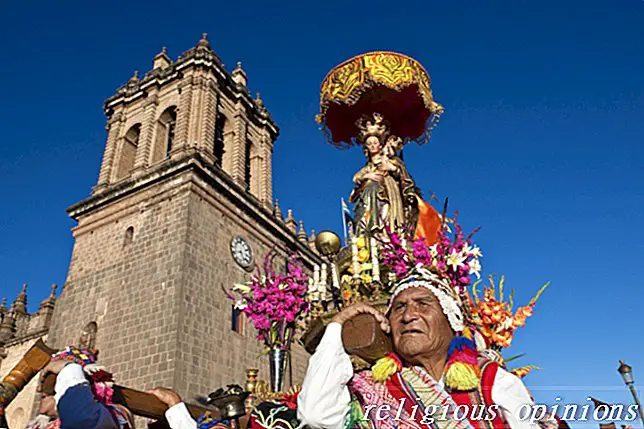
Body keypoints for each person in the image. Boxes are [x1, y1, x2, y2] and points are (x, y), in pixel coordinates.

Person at [297, 267, 541, 429]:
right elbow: (315, 415)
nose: (409, 315)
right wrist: (339, 325)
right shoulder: (373, 387)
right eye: (399, 308)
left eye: (423, 304)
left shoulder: (490, 380)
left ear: (452, 321)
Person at [349, 113, 418, 236]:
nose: (372, 146)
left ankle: (385, 234)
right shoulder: (367, 168)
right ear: (366, 149)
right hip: (369, 199)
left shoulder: (390, 160)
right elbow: (356, 178)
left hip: (388, 194)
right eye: (369, 144)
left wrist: (392, 168)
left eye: (375, 143)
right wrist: (366, 176)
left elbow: (404, 176)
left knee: (386, 218)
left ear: (380, 145)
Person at [34, 346, 134, 429]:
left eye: (49, 381)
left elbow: (83, 419)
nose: (40, 390)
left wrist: (69, 370)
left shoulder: (114, 415)